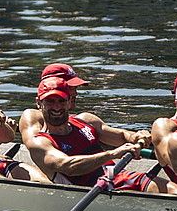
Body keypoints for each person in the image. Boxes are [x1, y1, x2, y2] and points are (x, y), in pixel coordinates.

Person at [23, 75, 165, 191]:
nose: (56, 106)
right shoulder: (40, 142)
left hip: (119, 178)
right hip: (94, 191)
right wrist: (113, 154)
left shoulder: (85, 121)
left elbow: (122, 136)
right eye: (50, 101)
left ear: (69, 102)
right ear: (39, 103)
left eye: (61, 101)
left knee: (165, 187)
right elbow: (68, 166)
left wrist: (137, 136)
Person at [17, 62, 92, 143]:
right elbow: (37, 147)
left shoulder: (81, 120)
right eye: (69, 87)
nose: (75, 93)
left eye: (75, 88)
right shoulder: (33, 116)